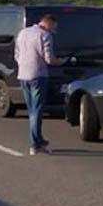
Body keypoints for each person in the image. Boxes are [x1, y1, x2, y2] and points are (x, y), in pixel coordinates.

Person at [14, 14, 71, 155]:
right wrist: (63, 61)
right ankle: (35, 145)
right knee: (37, 111)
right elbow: (49, 59)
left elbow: (17, 55)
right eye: (54, 28)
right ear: (48, 24)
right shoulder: (45, 35)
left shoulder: (23, 33)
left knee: (32, 110)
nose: (54, 31)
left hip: (23, 75)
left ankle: (39, 139)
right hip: (38, 76)